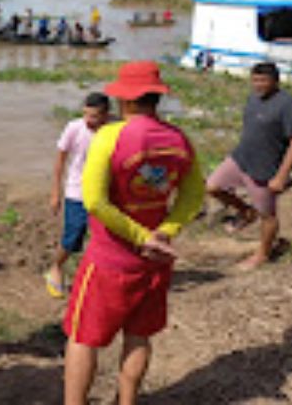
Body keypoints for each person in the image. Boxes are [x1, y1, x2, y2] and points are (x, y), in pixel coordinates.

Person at [63, 61, 205, 405]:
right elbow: (194, 194)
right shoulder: (179, 139)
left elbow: (94, 201)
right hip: (156, 261)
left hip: (110, 259)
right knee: (138, 336)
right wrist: (164, 231)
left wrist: (140, 236)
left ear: (125, 101)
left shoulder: (110, 136)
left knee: (83, 339)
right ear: (156, 98)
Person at [206, 62, 292, 270]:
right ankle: (245, 211)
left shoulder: (288, 105)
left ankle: (263, 254)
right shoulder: (253, 99)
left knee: (267, 215)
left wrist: (281, 175)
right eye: (254, 80)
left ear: (275, 81)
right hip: (240, 158)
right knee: (212, 186)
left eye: (263, 81)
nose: (258, 85)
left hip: (265, 168)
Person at [45, 93, 111, 298]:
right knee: (73, 235)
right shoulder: (74, 128)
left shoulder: (114, 128)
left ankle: (99, 276)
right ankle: (56, 267)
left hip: (106, 192)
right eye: (86, 115)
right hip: (77, 191)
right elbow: (60, 162)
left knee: (106, 237)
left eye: (94, 117)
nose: (89, 121)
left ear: (106, 115)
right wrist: (56, 192)